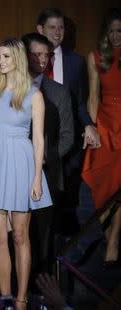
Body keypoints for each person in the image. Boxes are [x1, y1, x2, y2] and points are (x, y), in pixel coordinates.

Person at [0, 38, 52, 309]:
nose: (0, 61)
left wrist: (37, 177)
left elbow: (39, 139)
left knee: (19, 235)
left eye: (5, 56)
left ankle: (21, 298)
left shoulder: (33, 94)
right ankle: (6, 298)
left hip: (21, 163)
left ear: (16, 58)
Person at [37, 8, 100, 235]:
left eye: (61, 27)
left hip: (67, 145)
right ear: (40, 29)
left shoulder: (76, 62)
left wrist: (88, 124)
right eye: (52, 27)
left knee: (65, 207)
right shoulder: (29, 59)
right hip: (37, 143)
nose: (57, 32)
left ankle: (61, 257)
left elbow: (80, 103)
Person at [21, 32, 74, 278]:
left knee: (43, 236)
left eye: (47, 55)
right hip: (14, 171)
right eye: (37, 54)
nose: (43, 60)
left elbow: (67, 136)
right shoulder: (11, 90)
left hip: (47, 174)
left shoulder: (59, 92)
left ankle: (42, 291)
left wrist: (43, 158)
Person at [82, 8, 121, 268]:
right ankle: (109, 238)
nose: (117, 36)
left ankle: (114, 243)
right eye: (113, 31)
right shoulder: (95, 58)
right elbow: (93, 96)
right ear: (106, 33)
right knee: (103, 188)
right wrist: (94, 127)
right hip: (106, 126)